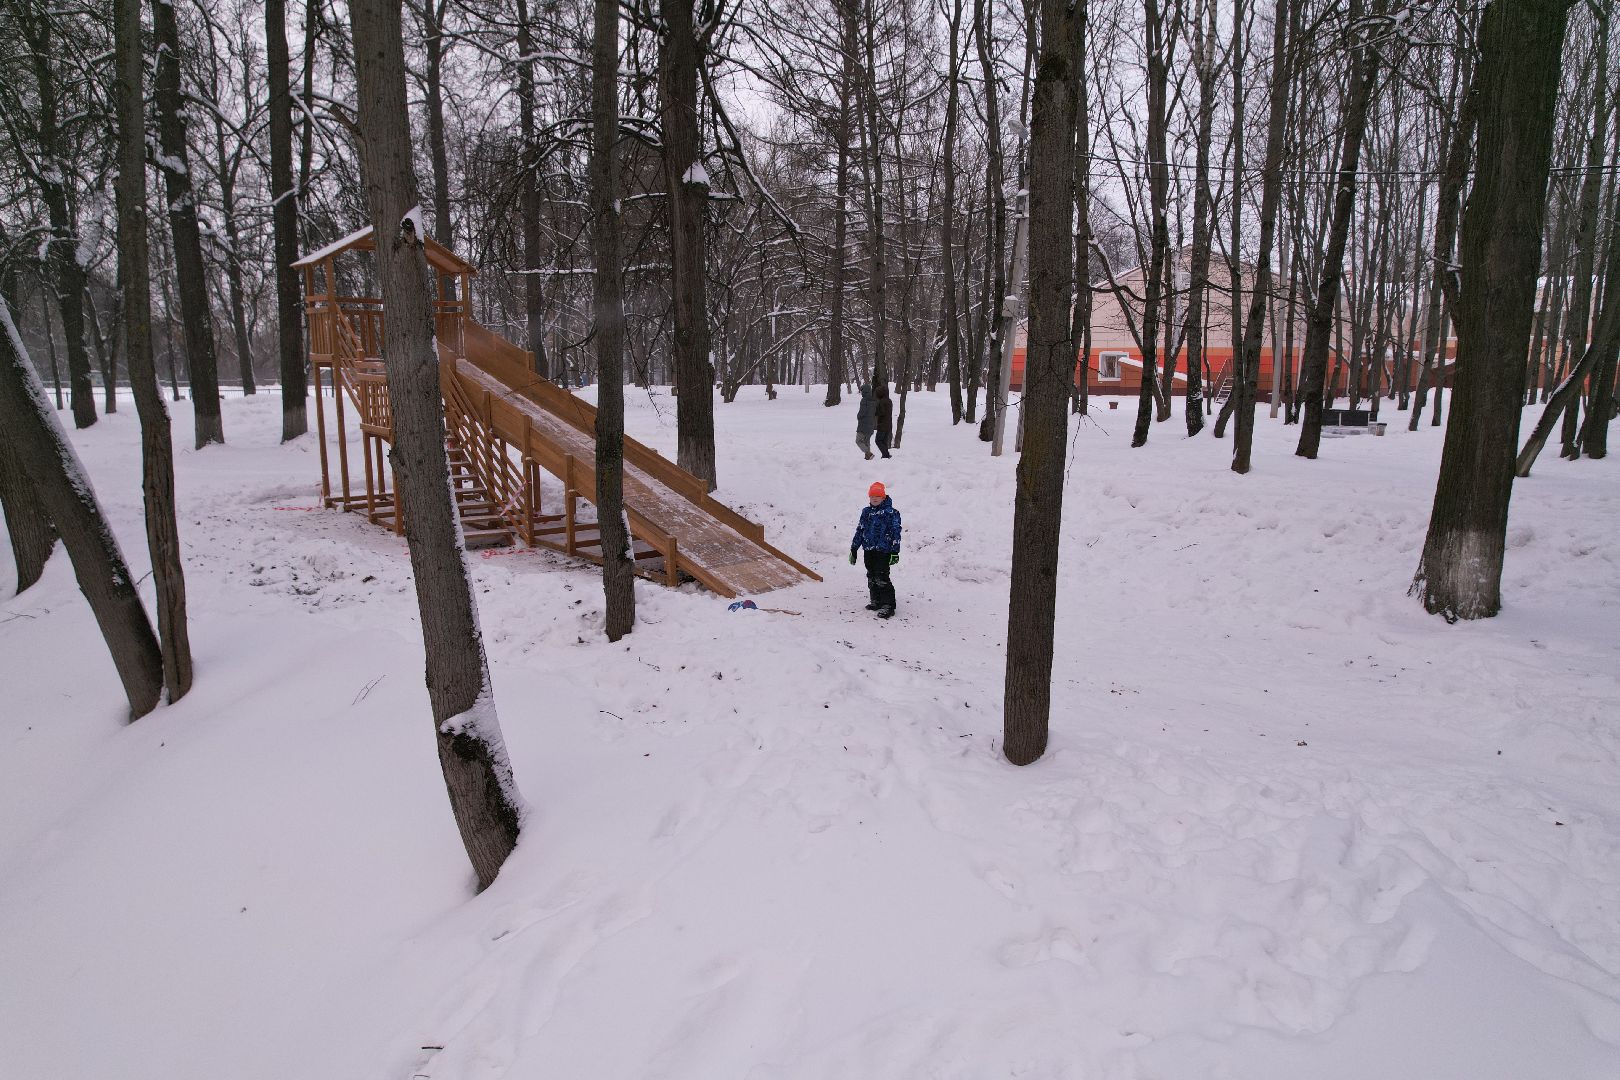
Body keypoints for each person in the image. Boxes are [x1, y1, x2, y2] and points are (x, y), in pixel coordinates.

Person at [849, 480, 901, 618]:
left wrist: (895, 551)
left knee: (881, 576)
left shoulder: (891, 513)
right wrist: (854, 548)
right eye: (872, 496)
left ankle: (888, 605)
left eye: (878, 496)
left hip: (884, 551)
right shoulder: (866, 512)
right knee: (871, 575)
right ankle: (876, 600)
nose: (875, 498)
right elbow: (860, 530)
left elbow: (896, 532)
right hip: (869, 550)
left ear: (883, 497)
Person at [855, 383, 877, 459]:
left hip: (863, 425)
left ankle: (868, 453)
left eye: (862, 391)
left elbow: (862, 412)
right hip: (871, 425)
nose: (861, 393)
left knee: (858, 441)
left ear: (865, 391)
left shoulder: (864, 400)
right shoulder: (874, 400)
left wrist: (858, 417)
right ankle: (868, 458)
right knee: (866, 441)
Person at [874, 385, 894, 458]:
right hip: (888, 424)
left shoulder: (882, 402)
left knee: (878, 441)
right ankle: (885, 456)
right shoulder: (889, 400)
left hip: (882, 425)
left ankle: (886, 455)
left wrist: (875, 411)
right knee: (884, 441)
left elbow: (882, 412)